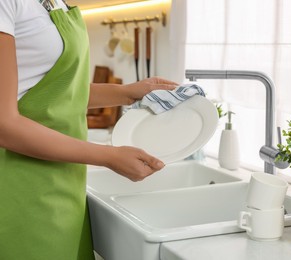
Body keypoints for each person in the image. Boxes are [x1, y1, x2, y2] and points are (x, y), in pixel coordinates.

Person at [0, 0, 178, 259]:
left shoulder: (56, 3)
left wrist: (127, 92)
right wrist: (108, 156)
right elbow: (5, 126)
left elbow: (60, 94)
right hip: (18, 185)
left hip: (64, 181)